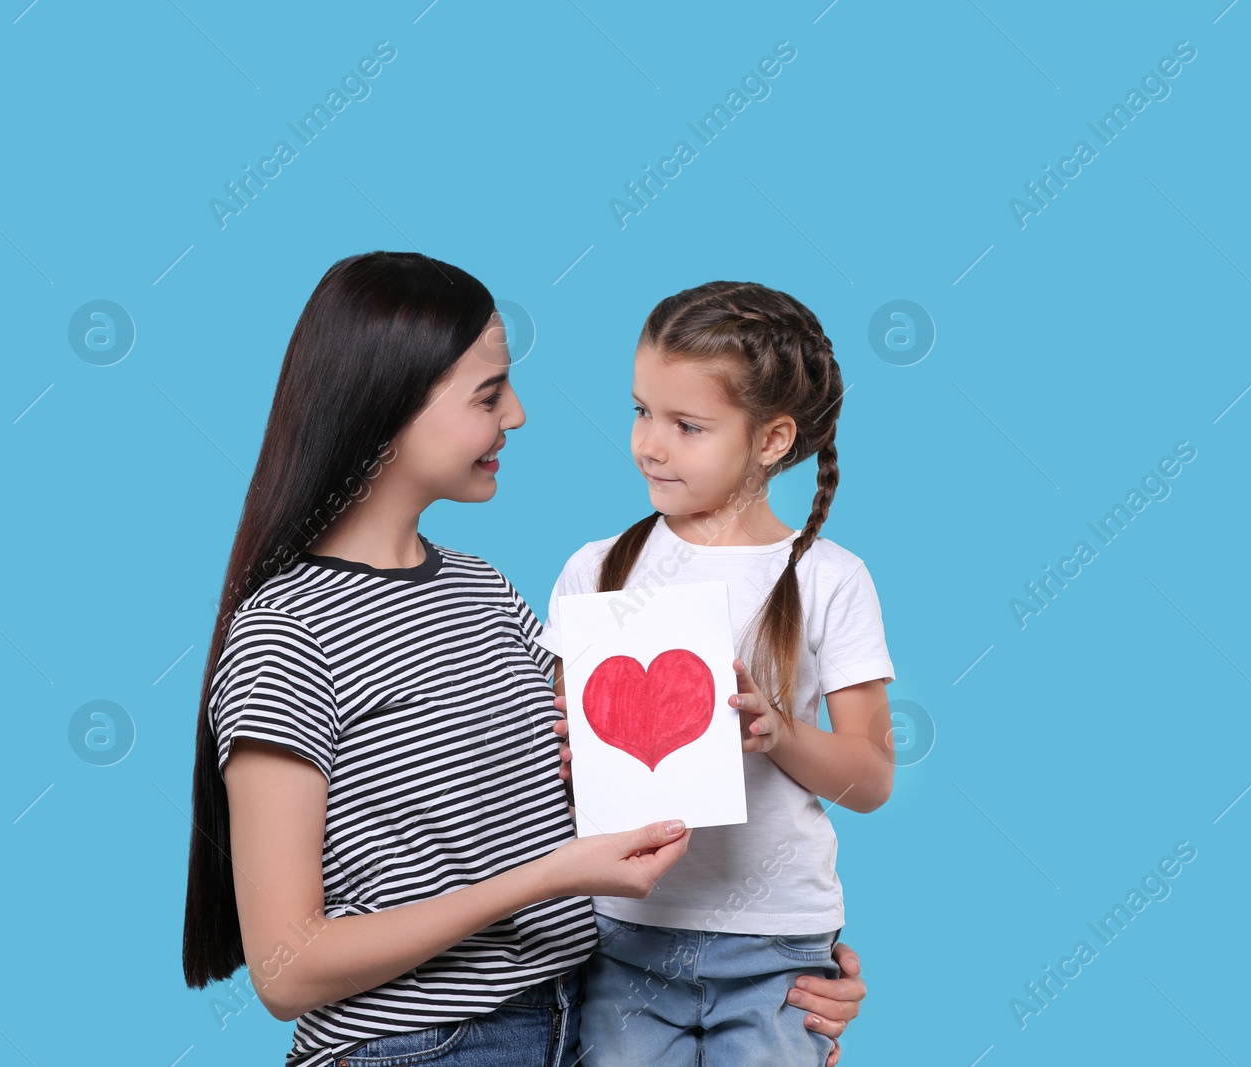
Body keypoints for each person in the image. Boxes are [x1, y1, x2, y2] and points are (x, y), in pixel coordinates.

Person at [180, 252, 868, 1067]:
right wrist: (547, 879)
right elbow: (285, 971)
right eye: (488, 393)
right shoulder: (287, 631)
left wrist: (777, 972)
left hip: (573, 1022)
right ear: (388, 404)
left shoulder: (485, 591)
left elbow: (599, 783)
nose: (518, 414)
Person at [536, 281, 895, 1066]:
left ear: (771, 440)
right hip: (625, 931)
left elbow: (870, 777)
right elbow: (553, 769)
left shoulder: (833, 578)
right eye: (640, 411)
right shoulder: (596, 570)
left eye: (687, 425)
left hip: (776, 944)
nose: (650, 444)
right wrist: (564, 759)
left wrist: (780, 732)